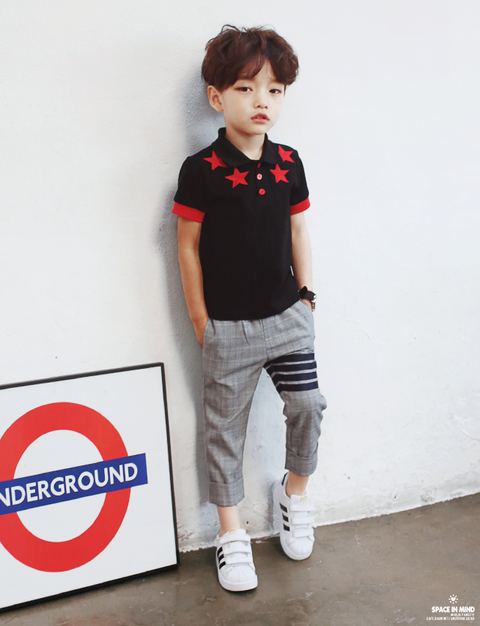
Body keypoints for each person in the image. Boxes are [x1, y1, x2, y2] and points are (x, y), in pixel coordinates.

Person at [173, 25, 327, 592]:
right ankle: (231, 532)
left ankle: (293, 494)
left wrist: (306, 297)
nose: (262, 100)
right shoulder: (201, 170)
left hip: (288, 318)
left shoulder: (289, 162)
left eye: (275, 90)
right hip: (228, 328)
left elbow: (299, 229)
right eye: (246, 87)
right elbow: (186, 248)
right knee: (223, 433)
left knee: (308, 404)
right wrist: (200, 320)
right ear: (217, 97)